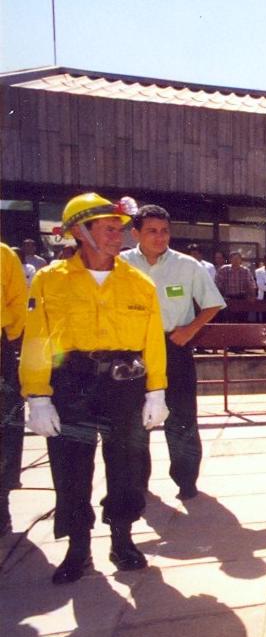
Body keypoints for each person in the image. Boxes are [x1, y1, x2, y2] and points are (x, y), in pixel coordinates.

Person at [21, 193, 169, 584]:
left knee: (126, 465)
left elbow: (152, 340)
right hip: (71, 382)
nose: (118, 236)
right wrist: (38, 396)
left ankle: (122, 540)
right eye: (108, 229)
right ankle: (78, 548)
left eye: (119, 229)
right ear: (80, 232)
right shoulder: (50, 280)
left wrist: (156, 391)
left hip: (124, 384)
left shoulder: (138, 283)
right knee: (70, 467)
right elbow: (36, 339)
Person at [121, 205, 225, 500]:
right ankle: (136, 483)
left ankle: (186, 480)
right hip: (133, 350)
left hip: (174, 348)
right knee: (134, 421)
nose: (159, 237)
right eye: (151, 231)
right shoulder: (120, 265)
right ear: (135, 234)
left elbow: (213, 303)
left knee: (182, 418)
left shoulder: (187, 265)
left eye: (164, 231)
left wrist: (190, 329)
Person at [1, 243, 28, 535]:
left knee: (5, 426)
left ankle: (1, 501)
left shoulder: (4, 255)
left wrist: (9, 338)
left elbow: (18, 301)